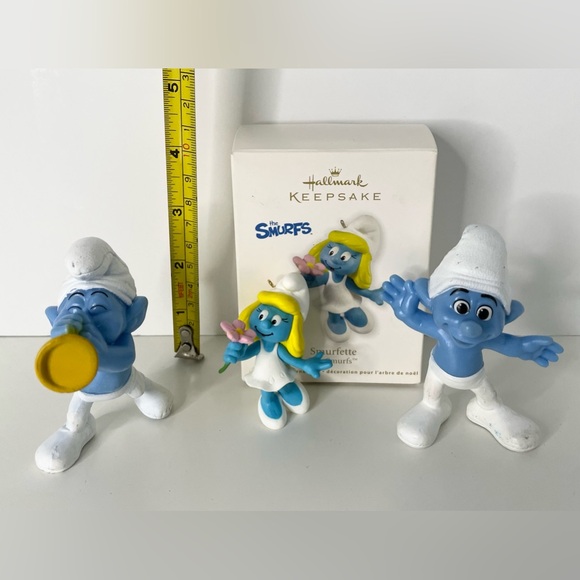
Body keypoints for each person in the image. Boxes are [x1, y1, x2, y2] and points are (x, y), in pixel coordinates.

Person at [382, 224, 563, 452]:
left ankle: (487, 409)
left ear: (505, 318)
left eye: (485, 313)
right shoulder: (441, 330)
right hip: (438, 371)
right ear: (431, 301)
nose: (470, 327)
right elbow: (416, 320)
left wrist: (522, 348)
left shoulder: (483, 337)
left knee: (488, 397)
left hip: (476, 376)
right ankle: (432, 407)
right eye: (460, 306)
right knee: (432, 395)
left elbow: (507, 343)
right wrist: (405, 313)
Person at [35, 237, 173, 473]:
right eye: (73, 309)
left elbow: (125, 358)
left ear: (133, 316)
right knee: (75, 418)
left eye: (98, 308)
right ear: (55, 318)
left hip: (126, 380)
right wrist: (61, 344)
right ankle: (77, 430)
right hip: (85, 391)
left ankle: (145, 391)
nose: (84, 319)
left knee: (139, 387)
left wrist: (101, 353)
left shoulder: (121, 338)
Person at [223, 273, 332, 430]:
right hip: (262, 375)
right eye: (261, 315)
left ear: (293, 329)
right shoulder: (258, 345)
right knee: (266, 391)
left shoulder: (278, 348)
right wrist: (236, 354)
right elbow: (246, 354)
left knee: (286, 385)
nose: (266, 324)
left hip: (281, 375)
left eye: (275, 321)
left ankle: (286, 390)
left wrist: (306, 364)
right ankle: (268, 400)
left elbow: (290, 359)